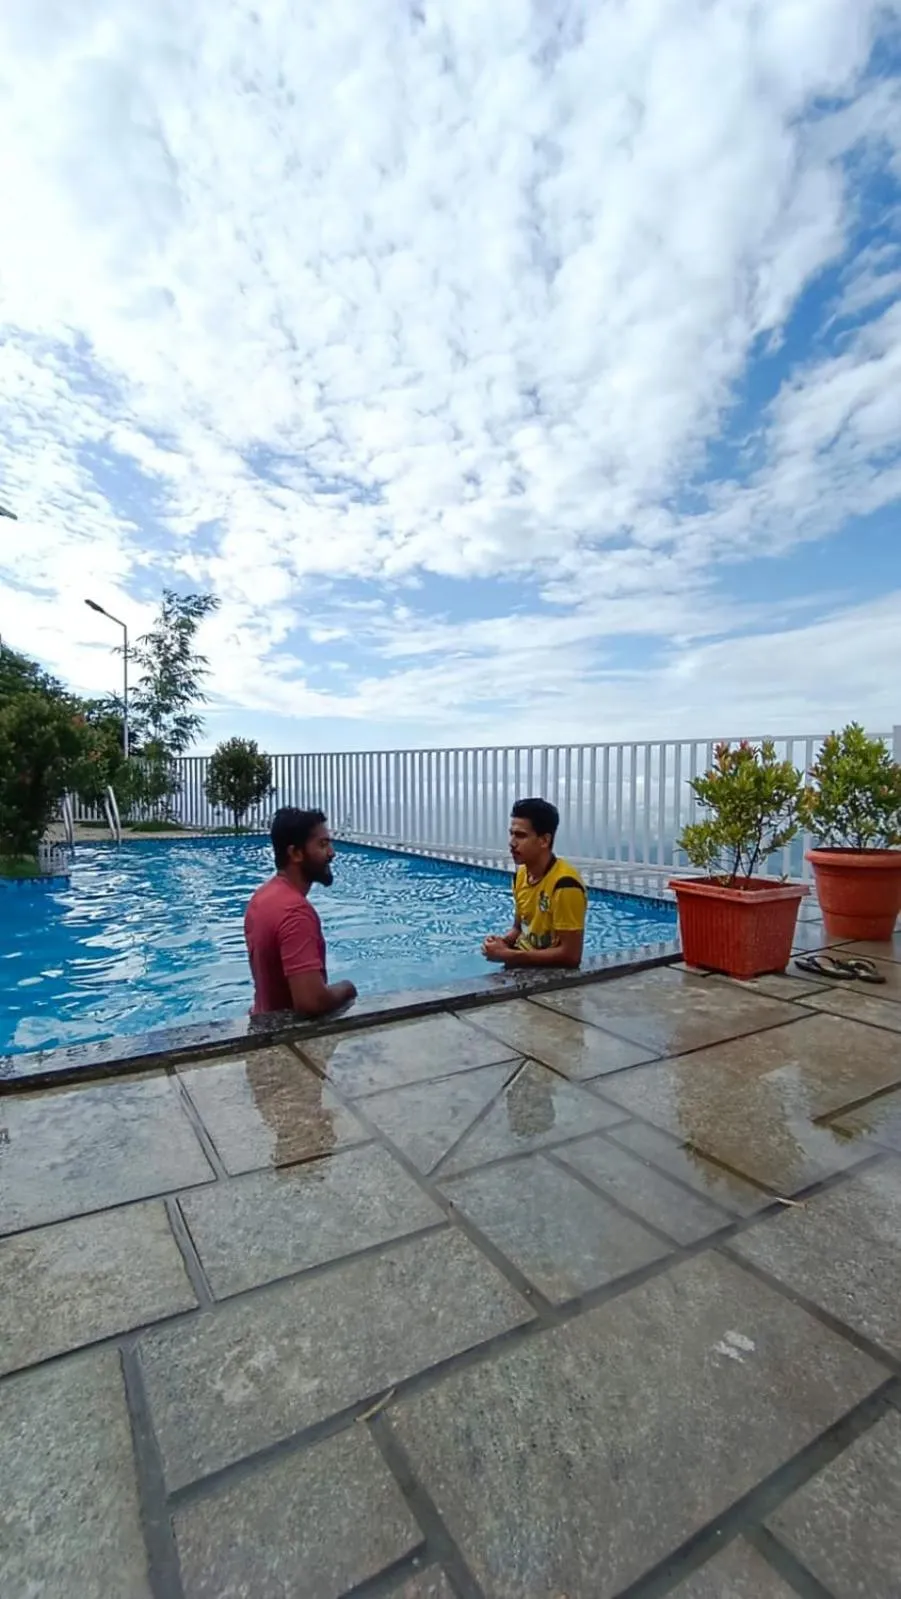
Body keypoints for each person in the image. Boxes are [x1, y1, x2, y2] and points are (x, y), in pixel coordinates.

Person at [244, 807, 357, 1018]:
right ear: (295, 853)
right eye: (322, 845)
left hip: (262, 1023)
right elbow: (311, 1002)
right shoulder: (295, 913)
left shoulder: (261, 898)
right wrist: (347, 988)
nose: (332, 853)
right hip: (286, 1038)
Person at [482, 797, 586, 970]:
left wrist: (509, 955)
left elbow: (571, 956)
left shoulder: (565, 885)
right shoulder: (521, 875)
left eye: (521, 835)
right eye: (511, 834)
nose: (512, 843)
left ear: (544, 840)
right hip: (521, 963)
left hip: (547, 976)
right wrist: (501, 943)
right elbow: (519, 928)